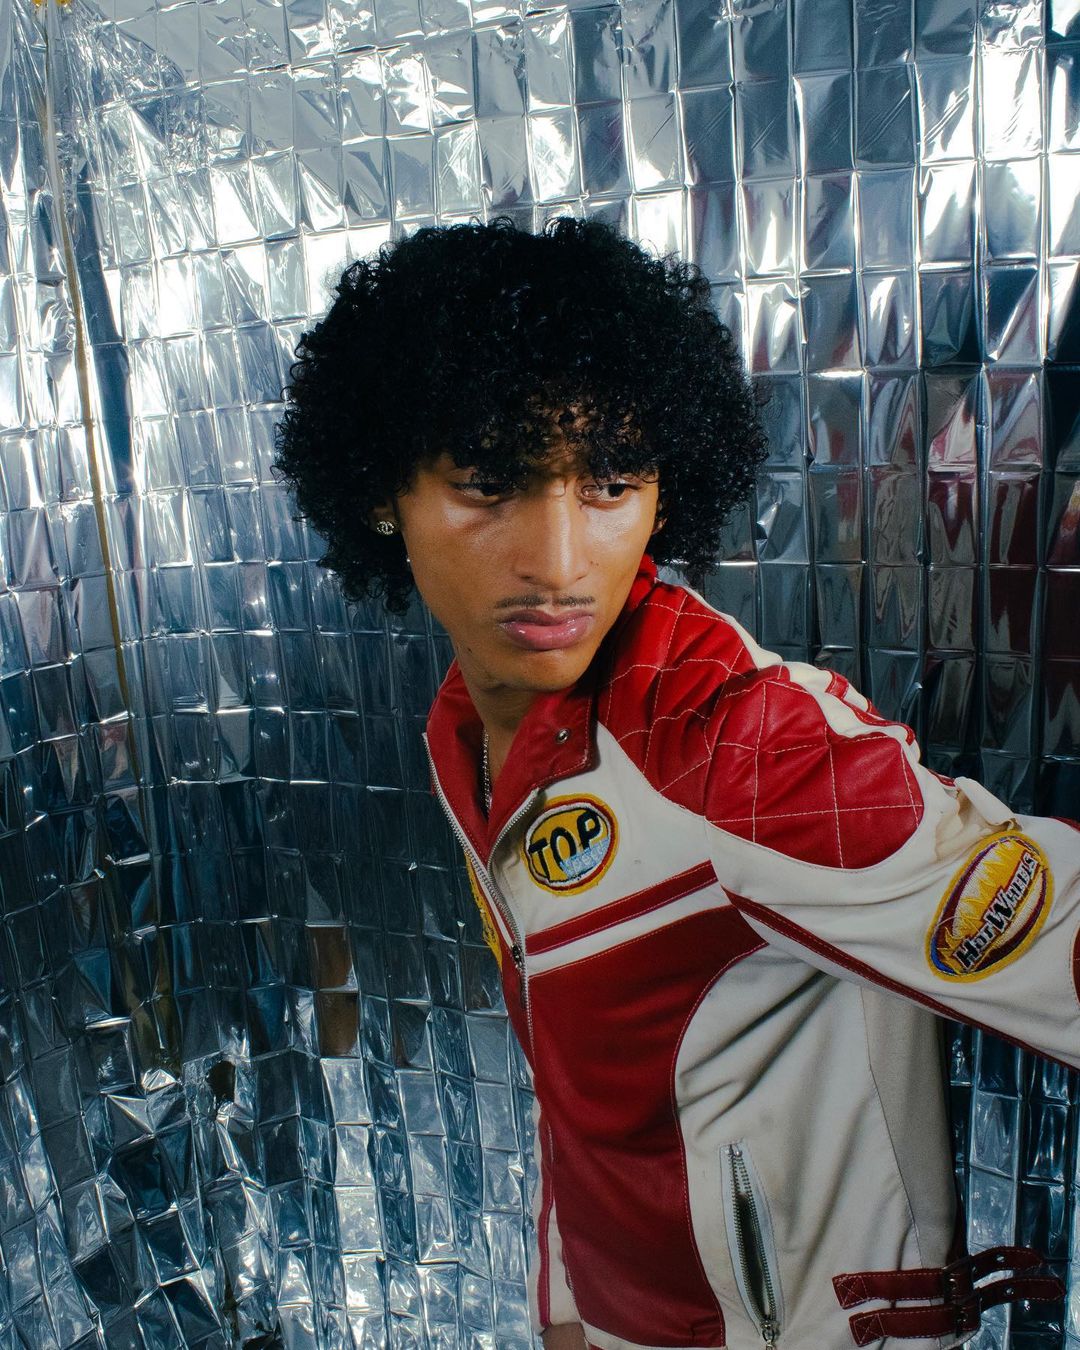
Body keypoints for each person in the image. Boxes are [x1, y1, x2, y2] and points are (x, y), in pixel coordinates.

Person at [273, 216, 1079, 1350]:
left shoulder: (735, 747)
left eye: (610, 483)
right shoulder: (468, 728)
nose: (559, 563)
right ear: (377, 490)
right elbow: (585, 1089)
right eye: (490, 485)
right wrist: (569, 1309)